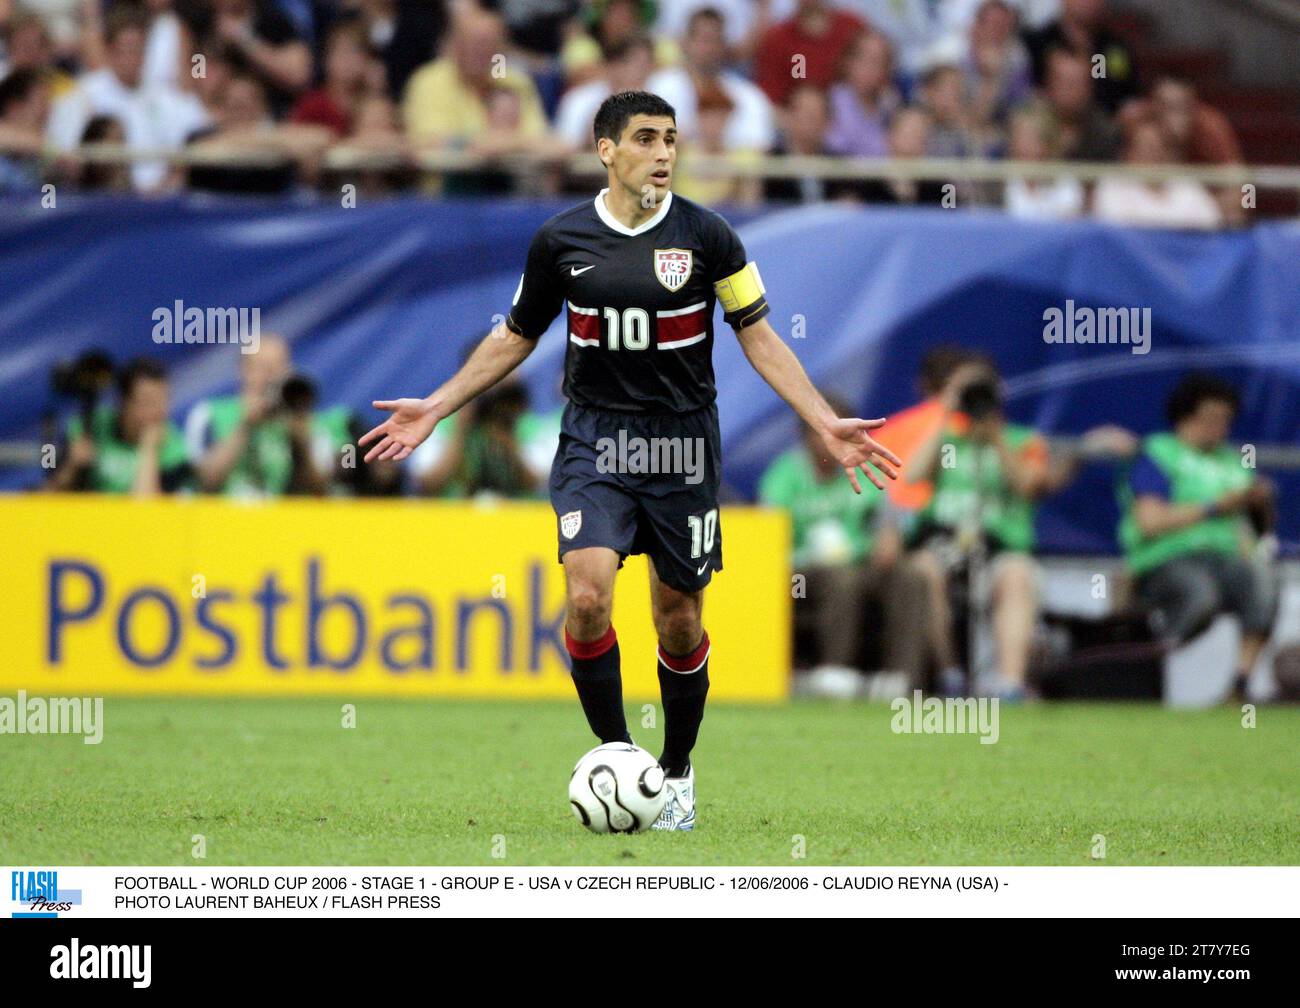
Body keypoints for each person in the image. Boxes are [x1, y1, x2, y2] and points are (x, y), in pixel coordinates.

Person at [360, 89, 900, 831]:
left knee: (677, 619)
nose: (664, 153)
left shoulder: (712, 238)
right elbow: (515, 335)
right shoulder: (561, 241)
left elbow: (760, 336)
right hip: (596, 440)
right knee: (586, 598)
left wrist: (825, 421)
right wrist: (437, 403)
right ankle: (619, 757)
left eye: (672, 139)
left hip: (682, 446)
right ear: (606, 149)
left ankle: (675, 772)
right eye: (646, 138)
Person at [1118, 373, 1277, 699]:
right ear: (1185, 416)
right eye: (1211, 417)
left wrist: (1261, 503)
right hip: (1166, 560)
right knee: (1201, 597)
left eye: (1225, 419)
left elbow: (1262, 532)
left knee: (1265, 581)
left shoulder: (1233, 462)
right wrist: (1216, 505)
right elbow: (1150, 521)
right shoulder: (1158, 452)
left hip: (1228, 558)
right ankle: (1132, 661)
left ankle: (1239, 686)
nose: (1219, 427)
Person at [759, 394, 929, 692]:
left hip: (861, 562)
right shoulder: (784, 475)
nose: (830, 440)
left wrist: (890, 534)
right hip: (801, 571)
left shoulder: (864, 467)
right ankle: (835, 672)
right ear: (806, 434)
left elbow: (890, 516)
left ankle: (900, 680)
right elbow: (767, 540)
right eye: (822, 430)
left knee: (911, 577)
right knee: (842, 578)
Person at [185, 335, 347, 497]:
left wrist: (301, 441)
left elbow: (320, 491)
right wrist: (245, 426)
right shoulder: (210, 414)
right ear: (243, 370)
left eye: (277, 367)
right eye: (262, 367)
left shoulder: (307, 421)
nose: (270, 375)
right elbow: (205, 482)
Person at [46, 357, 192, 497]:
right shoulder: (88, 428)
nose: (160, 412)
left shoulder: (175, 450)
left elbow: (148, 514)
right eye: (147, 402)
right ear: (123, 402)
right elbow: (44, 501)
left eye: (163, 400)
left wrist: (149, 450)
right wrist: (71, 468)